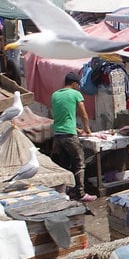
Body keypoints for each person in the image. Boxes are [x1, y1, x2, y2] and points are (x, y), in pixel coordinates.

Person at [50, 72, 95, 202]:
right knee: (79, 164)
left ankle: (67, 192)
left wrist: (77, 129)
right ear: (74, 84)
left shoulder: (55, 95)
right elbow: (84, 114)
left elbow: (61, 117)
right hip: (69, 135)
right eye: (77, 85)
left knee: (65, 164)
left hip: (58, 135)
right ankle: (81, 194)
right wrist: (87, 129)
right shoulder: (76, 94)